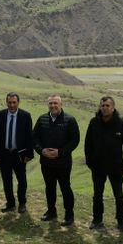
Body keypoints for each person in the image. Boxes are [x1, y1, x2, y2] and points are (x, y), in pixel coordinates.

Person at [84, 96, 123, 232]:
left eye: (107, 105)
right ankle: (97, 220)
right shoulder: (94, 122)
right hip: (98, 166)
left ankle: (121, 222)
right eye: (103, 105)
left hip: (116, 166)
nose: (105, 108)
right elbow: (88, 144)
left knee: (119, 196)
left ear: (113, 107)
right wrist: (89, 162)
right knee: (97, 195)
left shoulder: (121, 123)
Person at [32, 94, 80, 226]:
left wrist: (60, 152)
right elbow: (34, 137)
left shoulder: (70, 120)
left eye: (55, 103)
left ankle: (69, 215)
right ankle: (51, 211)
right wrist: (41, 150)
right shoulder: (42, 119)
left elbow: (75, 140)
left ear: (61, 104)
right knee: (49, 187)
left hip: (63, 162)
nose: (53, 106)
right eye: (50, 103)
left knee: (65, 188)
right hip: (46, 162)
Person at [0, 92, 34, 213]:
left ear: (18, 102)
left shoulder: (25, 116)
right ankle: (10, 203)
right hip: (5, 154)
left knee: (22, 180)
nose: (12, 105)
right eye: (9, 102)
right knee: (7, 180)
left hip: (19, 154)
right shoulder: (0, 115)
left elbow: (29, 136)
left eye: (14, 102)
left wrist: (29, 154)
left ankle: (22, 203)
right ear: (6, 102)